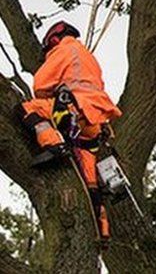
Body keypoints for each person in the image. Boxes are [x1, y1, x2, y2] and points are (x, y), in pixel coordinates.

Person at [16, 21, 122, 244]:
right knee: (90, 182)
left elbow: (40, 85)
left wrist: (52, 91)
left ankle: (53, 144)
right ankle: (103, 231)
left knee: (28, 108)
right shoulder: (89, 57)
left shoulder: (62, 50)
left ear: (53, 39)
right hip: (94, 123)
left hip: (73, 111)